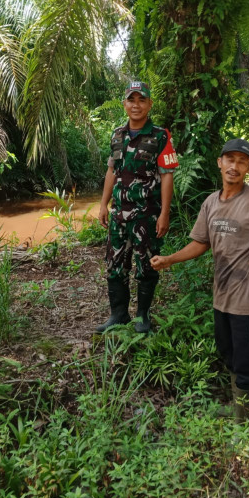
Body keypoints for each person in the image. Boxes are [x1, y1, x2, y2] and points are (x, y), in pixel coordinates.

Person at [150, 138, 249, 419]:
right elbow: (201, 243)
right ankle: (240, 408)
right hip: (222, 292)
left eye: (242, 161)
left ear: (248, 167)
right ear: (220, 162)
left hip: (247, 295)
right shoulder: (211, 202)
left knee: (247, 361)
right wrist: (169, 259)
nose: (234, 166)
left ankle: (248, 423)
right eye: (230, 159)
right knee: (227, 351)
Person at [96, 81, 179, 334]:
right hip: (118, 214)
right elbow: (112, 170)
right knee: (115, 263)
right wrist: (103, 204)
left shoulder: (161, 136)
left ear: (149, 104)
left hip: (146, 215)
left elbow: (167, 175)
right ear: (125, 104)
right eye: (131, 100)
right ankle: (118, 314)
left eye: (141, 100)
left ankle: (143, 315)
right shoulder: (117, 135)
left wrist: (164, 213)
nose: (136, 105)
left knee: (146, 265)